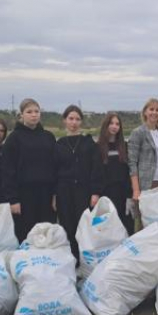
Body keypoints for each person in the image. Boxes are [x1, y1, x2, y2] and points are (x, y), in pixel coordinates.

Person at [2, 98, 57, 243]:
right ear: (21, 115)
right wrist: (13, 200)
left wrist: (55, 195)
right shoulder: (14, 139)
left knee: (46, 233)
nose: (34, 115)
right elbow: (8, 171)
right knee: (26, 235)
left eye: (37, 111)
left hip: (46, 194)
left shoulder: (49, 137)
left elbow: (55, 167)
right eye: (29, 112)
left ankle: (46, 263)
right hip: (24, 196)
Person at [55, 105, 103, 259]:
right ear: (65, 121)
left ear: (81, 122)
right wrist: (54, 195)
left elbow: (96, 169)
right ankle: (71, 260)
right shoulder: (59, 145)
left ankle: (86, 261)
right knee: (67, 226)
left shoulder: (89, 143)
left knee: (84, 227)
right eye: (71, 119)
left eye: (77, 119)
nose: (74, 122)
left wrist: (95, 192)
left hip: (84, 192)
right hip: (64, 192)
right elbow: (54, 171)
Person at [128, 97, 158, 224]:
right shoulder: (137, 132)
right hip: (147, 184)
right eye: (151, 109)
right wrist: (136, 190)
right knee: (145, 221)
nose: (155, 112)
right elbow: (132, 163)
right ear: (145, 112)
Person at [97, 112, 134, 234]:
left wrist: (130, 196)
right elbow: (95, 173)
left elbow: (129, 173)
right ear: (106, 125)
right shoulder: (97, 147)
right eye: (111, 123)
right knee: (106, 230)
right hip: (105, 196)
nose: (114, 126)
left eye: (117, 124)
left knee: (126, 228)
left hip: (123, 196)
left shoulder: (125, 146)